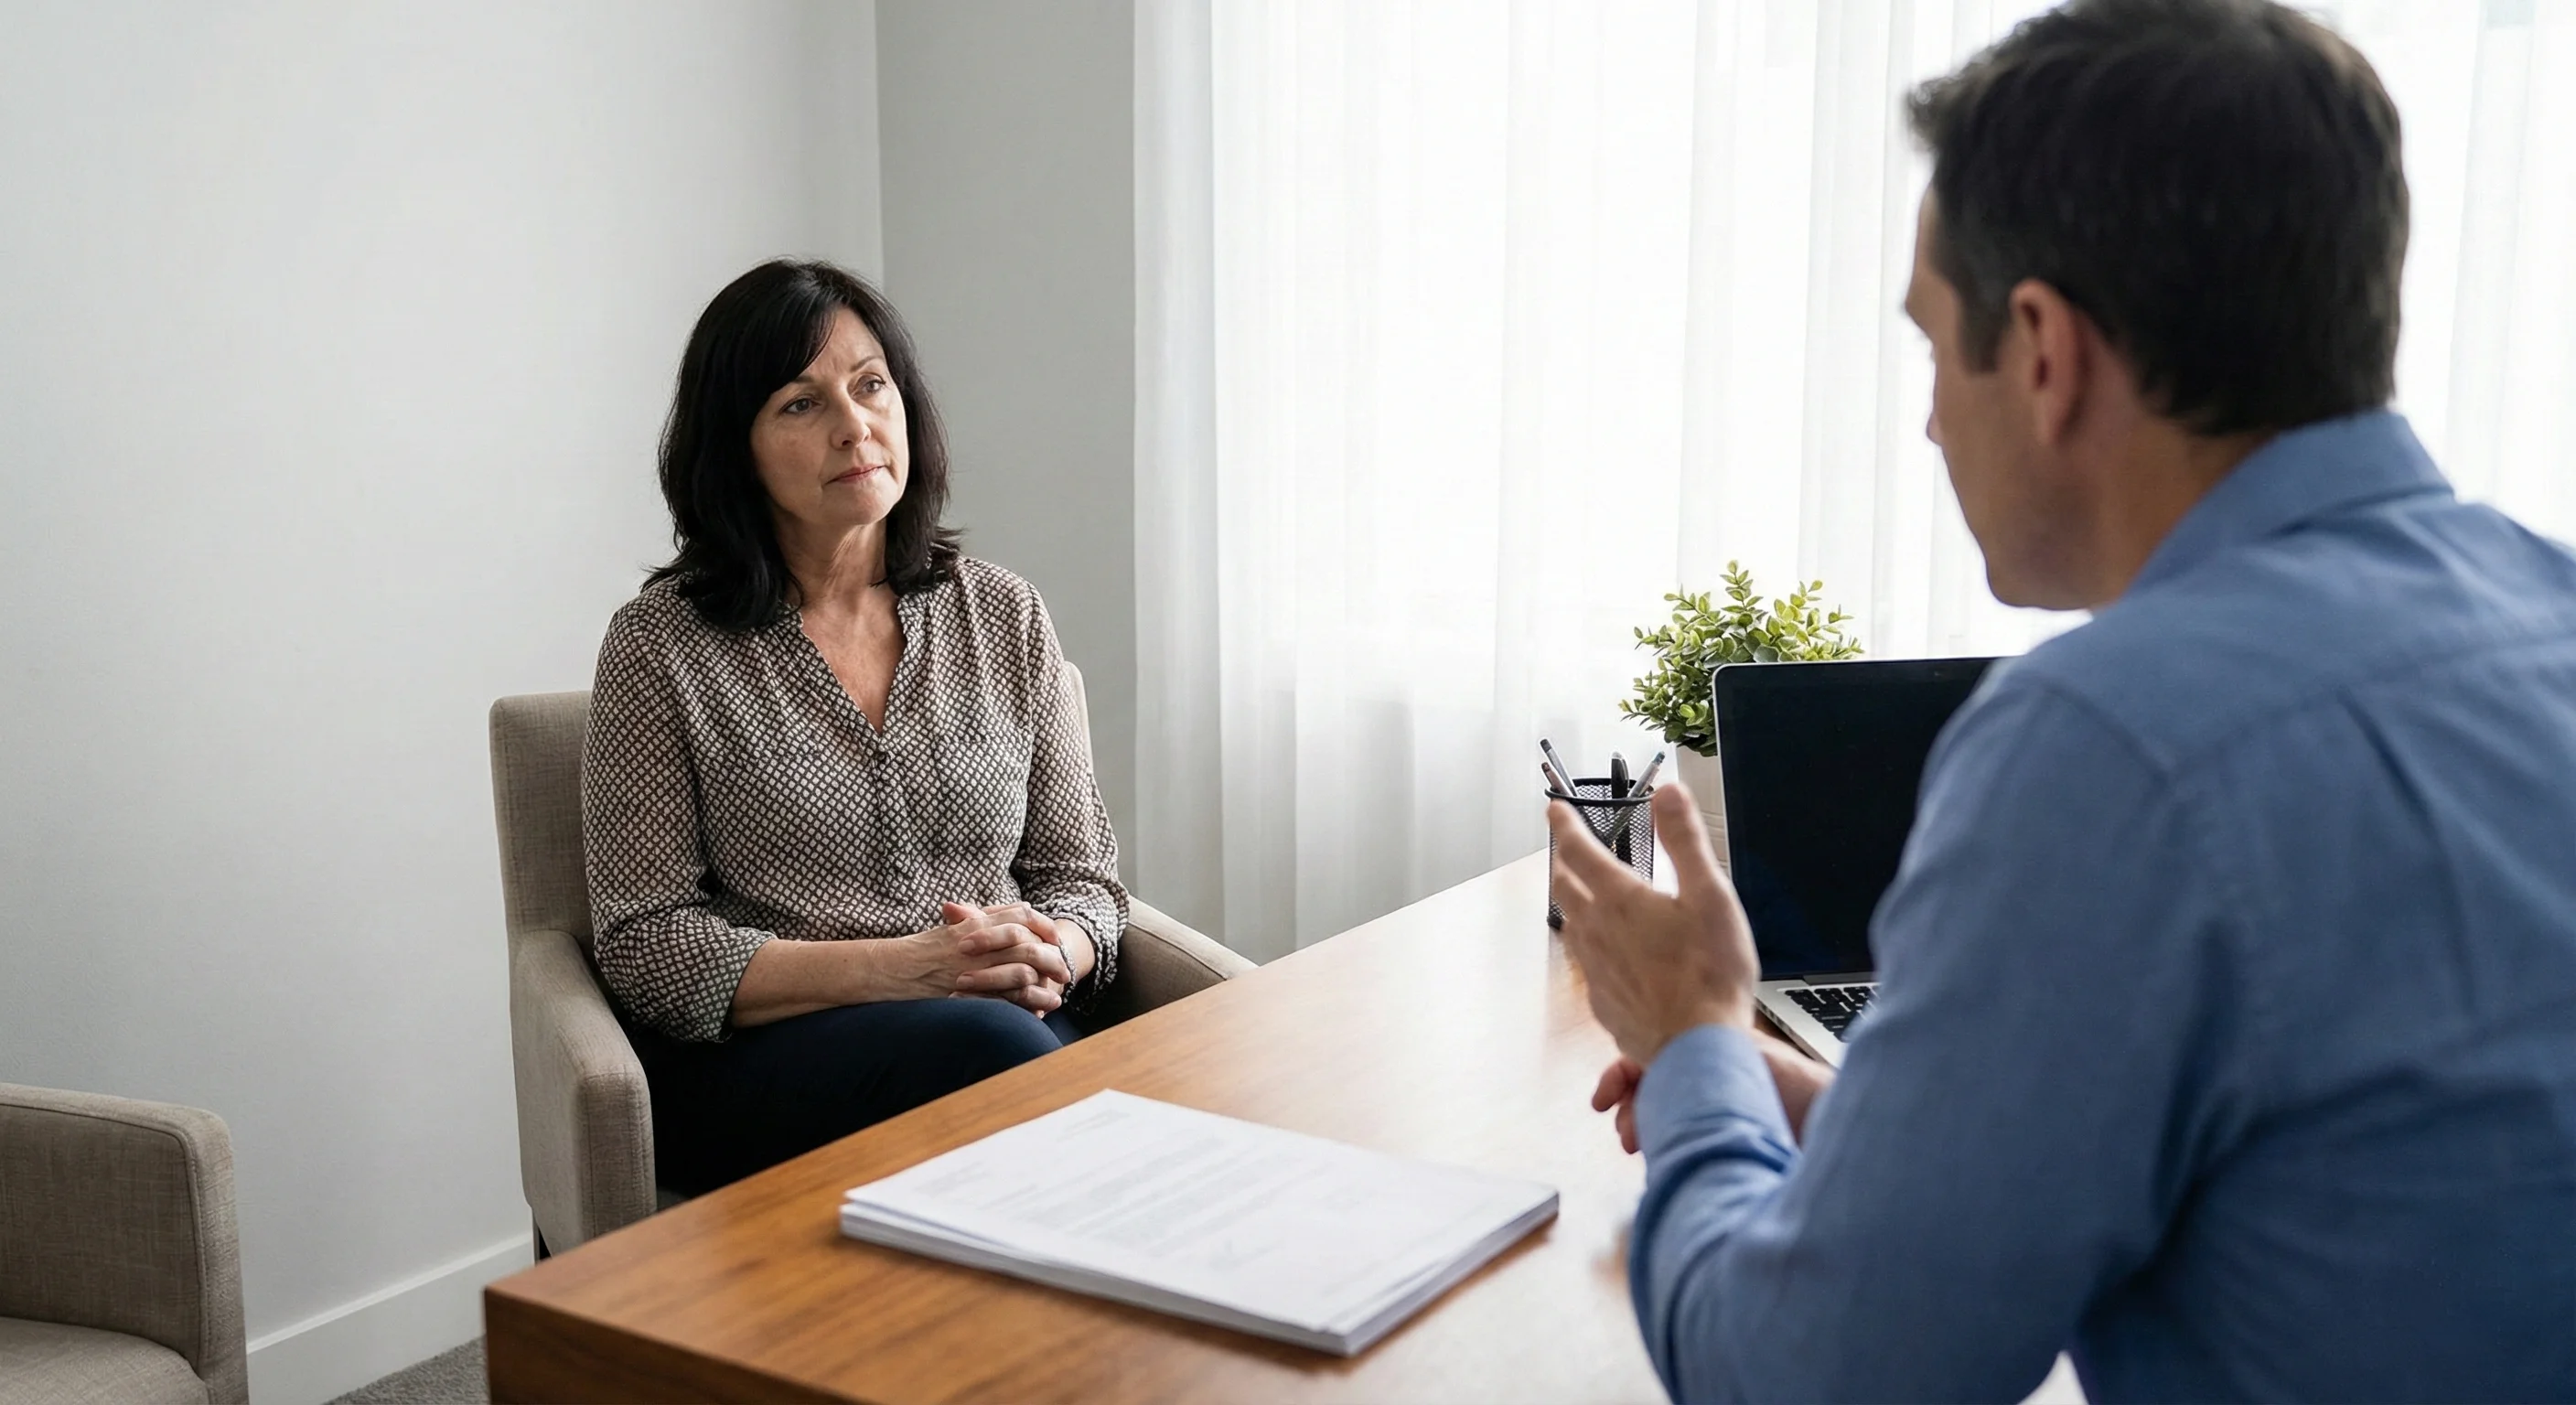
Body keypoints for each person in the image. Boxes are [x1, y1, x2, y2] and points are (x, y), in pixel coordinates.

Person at [1547, 1, 2576, 1399]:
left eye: (1931, 349)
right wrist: (1885, 1137)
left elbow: (1794, 1380)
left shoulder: (2112, 748)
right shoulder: (2548, 607)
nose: (1924, 420)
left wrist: (1690, 1041)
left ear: (2042, 349)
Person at [583, 260, 1126, 1196]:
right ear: (734, 445)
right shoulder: (660, 645)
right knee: (1005, 1057)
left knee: (1172, 1056)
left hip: (1001, 1019)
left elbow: (1083, 881)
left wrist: (1051, 951)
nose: (854, 425)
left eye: (870, 385)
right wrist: (911, 969)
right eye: (800, 404)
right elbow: (647, 942)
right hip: (766, 1059)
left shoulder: (1002, 615)